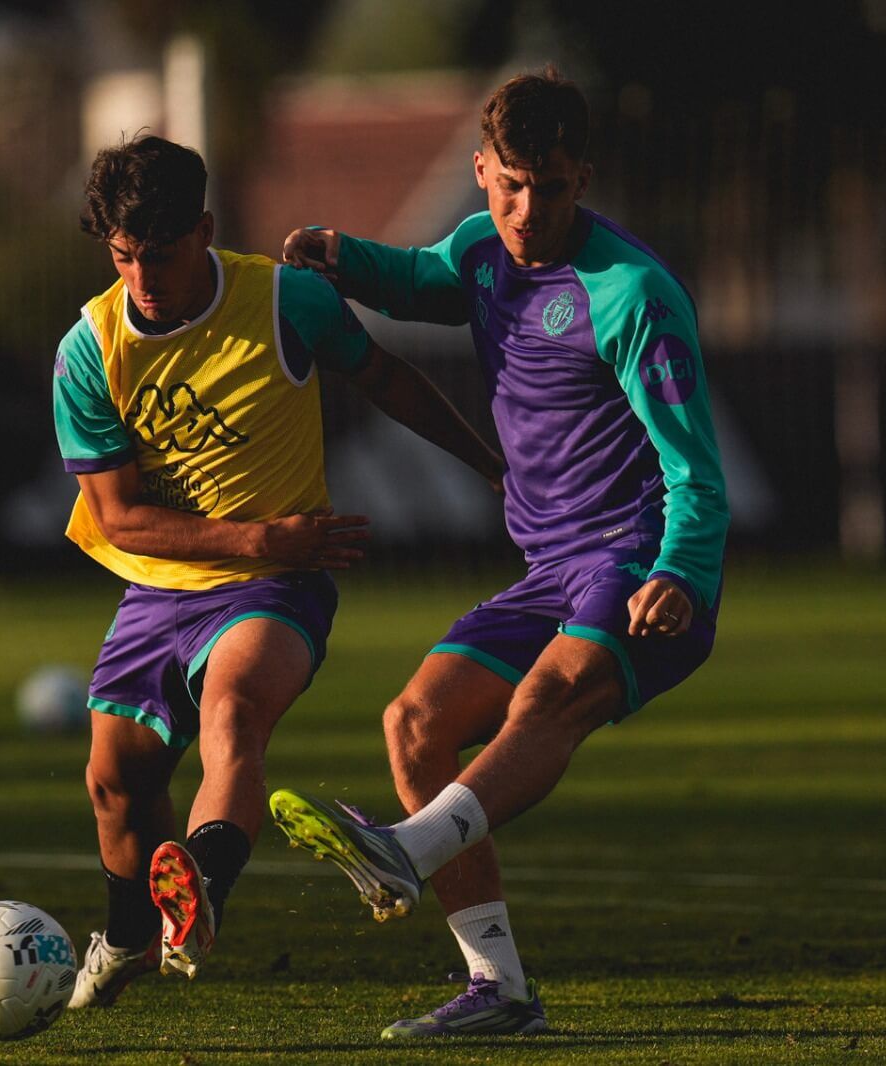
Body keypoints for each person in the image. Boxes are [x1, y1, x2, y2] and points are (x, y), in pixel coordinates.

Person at [268, 68, 729, 1039]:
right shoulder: (481, 249)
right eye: (510, 183)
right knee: (413, 725)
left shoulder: (631, 293)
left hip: (637, 563)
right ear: (481, 170)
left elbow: (696, 466)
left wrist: (680, 575)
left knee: (541, 700)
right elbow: (419, 281)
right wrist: (340, 255)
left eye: (550, 188)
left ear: (582, 180)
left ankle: (403, 848)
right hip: (550, 568)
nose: (526, 210)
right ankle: (499, 989)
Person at [53, 135, 503, 1009]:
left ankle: (202, 893)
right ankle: (132, 933)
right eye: (123, 257)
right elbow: (119, 517)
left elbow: (385, 377)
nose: (142, 278)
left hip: (276, 587)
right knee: (114, 784)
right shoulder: (88, 352)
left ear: (206, 230)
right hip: (168, 584)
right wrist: (261, 538)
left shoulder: (284, 301)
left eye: (161, 253)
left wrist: (489, 464)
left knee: (234, 714)